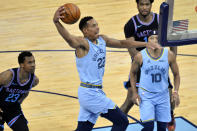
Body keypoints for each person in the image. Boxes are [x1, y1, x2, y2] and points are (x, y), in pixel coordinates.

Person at [53, 5, 159, 131]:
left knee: (83, 129)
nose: (97, 27)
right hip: (90, 93)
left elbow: (122, 43)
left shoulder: (102, 39)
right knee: (122, 121)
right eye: (93, 26)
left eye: (97, 24)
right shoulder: (83, 44)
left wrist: (145, 43)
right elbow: (69, 39)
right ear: (85, 30)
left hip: (92, 92)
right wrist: (56, 22)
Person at [120, 0, 177, 128]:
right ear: (137, 5)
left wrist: (172, 57)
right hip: (141, 66)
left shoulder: (160, 20)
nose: (144, 7)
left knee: (169, 95)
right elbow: (131, 49)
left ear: (151, 4)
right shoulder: (131, 24)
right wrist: (146, 61)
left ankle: (170, 114)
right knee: (130, 99)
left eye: (147, 4)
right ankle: (118, 124)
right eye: (141, 4)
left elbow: (172, 40)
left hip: (158, 63)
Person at [130, 30, 180, 131]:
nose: (154, 40)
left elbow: (176, 74)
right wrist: (135, 92)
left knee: (162, 128)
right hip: (146, 95)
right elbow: (132, 73)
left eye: (157, 38)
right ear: (147, 40)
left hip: (163, 95)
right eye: (151, 38)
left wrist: (175, 91)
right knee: (148, 127)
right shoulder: (140, 56)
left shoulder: (169, 54)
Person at [0, 51, 39, 131]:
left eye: (34, 62)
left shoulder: (34, 80)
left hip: (12, 109)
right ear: (22, 65)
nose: (33, 65)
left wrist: (19, 102)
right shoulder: (8, 76)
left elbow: (26, 92)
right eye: (29, 62)